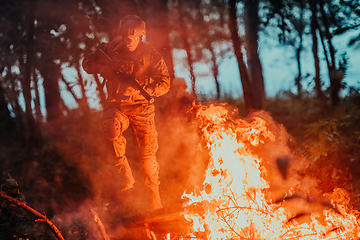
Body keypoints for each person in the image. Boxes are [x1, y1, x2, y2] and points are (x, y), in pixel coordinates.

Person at [82, 15, 170, 210]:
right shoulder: (111, 48)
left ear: (141, 35)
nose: (128, 39)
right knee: (110, 128)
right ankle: (125, 177)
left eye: (133, 36)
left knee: (148, 160)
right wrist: (104, 69)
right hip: (117, 107)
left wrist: (142, 87)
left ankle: (154, 199)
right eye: (125, 35)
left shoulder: (151, 54)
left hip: (143, 109)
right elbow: (87, 62)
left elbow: (165, 83)